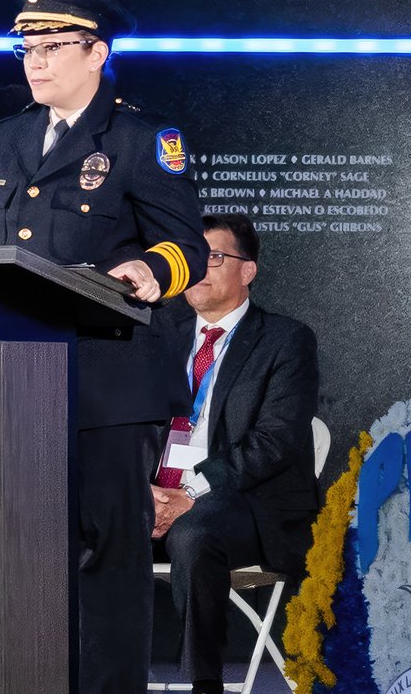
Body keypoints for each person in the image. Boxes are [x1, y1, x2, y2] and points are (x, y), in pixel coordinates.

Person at [0, 0, 208, 694]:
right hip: (17, 382)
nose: (34, 62)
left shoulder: (140, 139)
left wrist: (148, 274)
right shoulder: (1, 140)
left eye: (52, 47)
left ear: (98, 52)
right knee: (26, 556)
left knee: (108, 559)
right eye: (26, 50)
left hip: (110, 383)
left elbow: (185, 245)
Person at [150, 213, 319, 694]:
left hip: (245, 502)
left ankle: (205, 684)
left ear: (248, 271)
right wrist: (143, 492)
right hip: (158, 493)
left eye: (215, 257)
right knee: (78, 522)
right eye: (191, 258)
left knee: (195, 533)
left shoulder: (285, 340)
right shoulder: (159, 335)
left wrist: (188, 492)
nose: (199, 268)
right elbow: (134, 429)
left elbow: (275, 442)